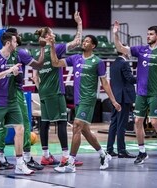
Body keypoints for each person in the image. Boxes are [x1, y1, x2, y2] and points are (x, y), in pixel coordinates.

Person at [112, 20, 157, 165]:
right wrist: (115, 34)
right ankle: (142, 152)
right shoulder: (141, 49)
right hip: (141, 92)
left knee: (154, 122)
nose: (148, 36)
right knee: (138, 121)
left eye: (151, 34)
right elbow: (121, 47)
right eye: (147, 34)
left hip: (155, 92)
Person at [48, 34, 121, 173]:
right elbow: (55, 63)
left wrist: (113, 100)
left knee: (76, 126)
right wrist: (52, 46)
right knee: (85, 131)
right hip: (78, 100)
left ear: (93, 46)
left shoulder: (97, 62)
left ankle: (70, 163)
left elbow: (104, 82)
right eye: (84, 40)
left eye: (88, 41)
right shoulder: (75, 58)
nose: (84, 42)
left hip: (88, 99)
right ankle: (103, 155)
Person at [0, 32, 39, 177]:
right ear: (8, 43)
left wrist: (17, 74)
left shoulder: (16, 57)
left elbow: (18, 76)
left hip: (13, 100)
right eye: (15, 41)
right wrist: (8, 71)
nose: (17, 44)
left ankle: (20, 164)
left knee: (20, 129)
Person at [31, 11, 83, 166]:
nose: (54, 35)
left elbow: (34, 77)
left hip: (44, 92)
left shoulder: (36, 52)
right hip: (55, 91)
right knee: (61, 121)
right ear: (47, 37)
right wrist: (79, 23)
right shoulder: (56, 48)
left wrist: (41, 90)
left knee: (45, 122)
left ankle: (45, 155)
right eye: (52, 33)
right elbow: (77, 41)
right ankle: (66, 156)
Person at [0, 28, 44, 171]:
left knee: (1, 126)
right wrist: (41, 47)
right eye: (17, 36)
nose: (19, 37)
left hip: (1, 94)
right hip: (14, 93)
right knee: (24, 123)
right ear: (11, 39)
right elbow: (39, 64)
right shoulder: (18, 53)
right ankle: (26, 158)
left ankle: (1, 159)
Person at [106, 50, 136, 158]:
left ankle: (109, 149)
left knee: (113, 123)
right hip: (123, 98)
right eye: (128, 51)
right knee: (121, 125)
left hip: (115, 97)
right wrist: (142, 78)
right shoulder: (124, 63)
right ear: (124, 52)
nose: (129, 52)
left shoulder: (114, 64)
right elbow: (130, 79)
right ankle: (121, 150)